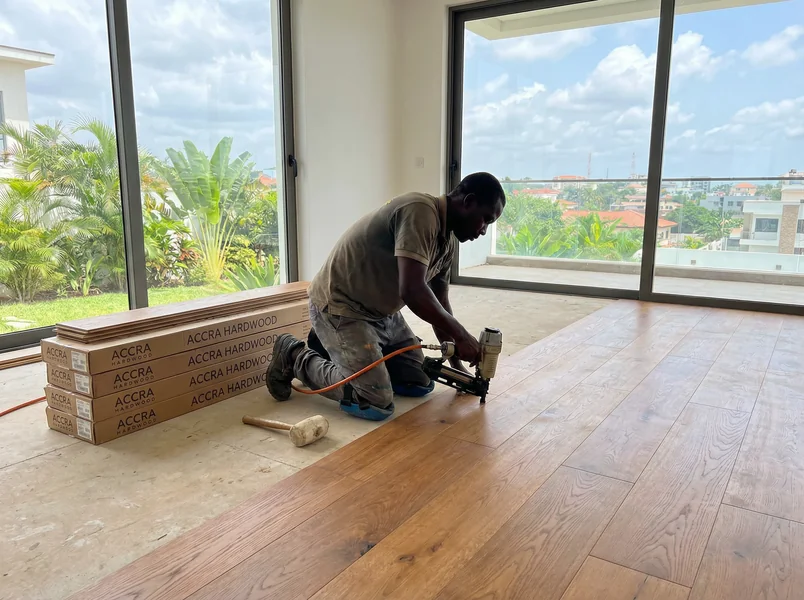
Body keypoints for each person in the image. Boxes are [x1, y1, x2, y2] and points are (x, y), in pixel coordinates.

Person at [267, 172, 506, 420]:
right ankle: (294, 356)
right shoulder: (420, 212)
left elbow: (440, 303)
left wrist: (457, 364)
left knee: (420, 382)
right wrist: (461, 335)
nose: (483, 231)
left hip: (383, 314)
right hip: (342, 307)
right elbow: (412, 291)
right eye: (485, 220)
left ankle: (349, 358)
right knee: (374, 401)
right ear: (468, 202)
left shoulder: (447, 242)